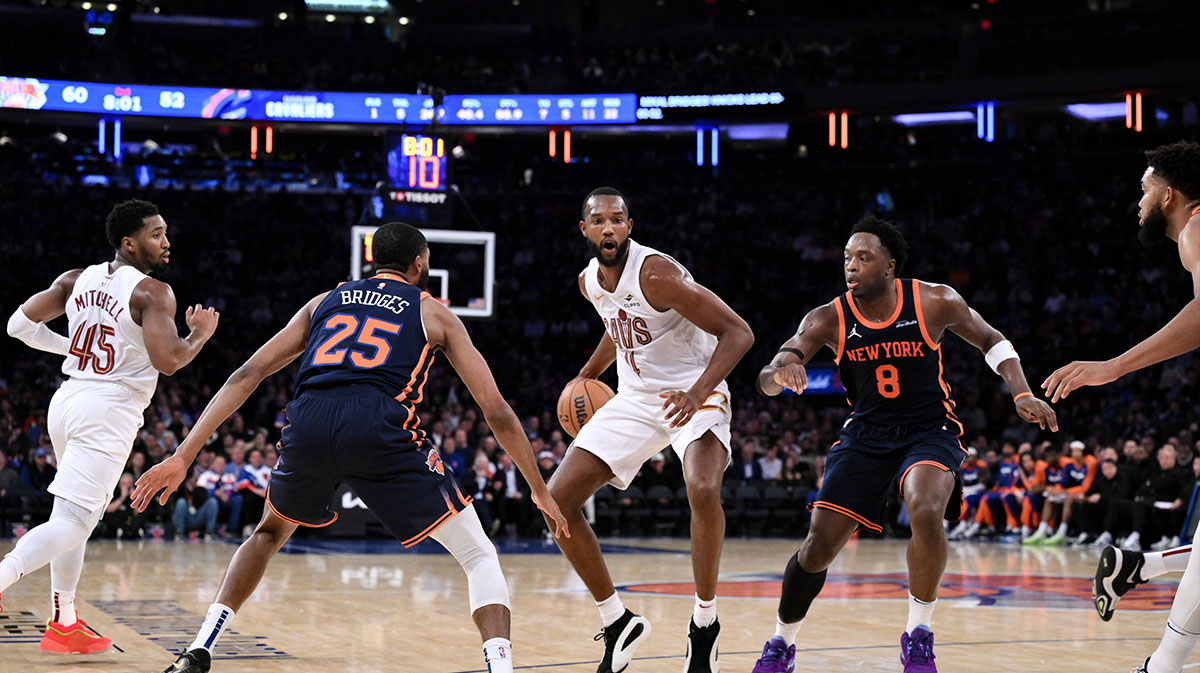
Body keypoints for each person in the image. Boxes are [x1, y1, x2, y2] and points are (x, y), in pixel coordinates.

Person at [130, 221, 567, 673]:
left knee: (267, 534)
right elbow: (495, 410)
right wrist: (538, 487)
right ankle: (501, 668)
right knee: (478, 554)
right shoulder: (433, 313)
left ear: (371, 261)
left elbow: (248, 373)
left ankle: (200, 648)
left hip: (310, 419)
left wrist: (184, 454)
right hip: (378, 424)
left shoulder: (322, 302)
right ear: (419, 265)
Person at [751, 216, 1056, 673]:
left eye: (864, 257)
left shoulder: (934, 300)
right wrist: (779, 373)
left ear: (890, 266)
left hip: (928, 428)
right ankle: (782, 643)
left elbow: (993, 341)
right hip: (865, 434)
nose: (851, 266)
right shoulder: (827, 317)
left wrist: (1021, 391)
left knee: (925, 508)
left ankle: (918, 633)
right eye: (847, 258)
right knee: (819, 545)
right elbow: (769, 373)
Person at [547, 187, 753, 673]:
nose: (609, 228)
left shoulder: (656, 275)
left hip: (695, 388)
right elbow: (617, 322)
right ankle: (617, 621)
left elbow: (739, 333)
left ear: (629, 226)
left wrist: (698, 392)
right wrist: (587, 374)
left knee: (702, 488)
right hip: (637, 398)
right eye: (599, 221)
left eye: (618, 220)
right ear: (585, 230)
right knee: (556, 502)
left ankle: (704, 623)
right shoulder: (589, 282)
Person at [1, 199, 218, 654]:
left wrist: (70, 350)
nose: (166, 241)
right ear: (129, 242)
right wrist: (198, 334)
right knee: (77, 522)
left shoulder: (75, 279)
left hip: (68, 401)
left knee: (72, 517)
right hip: (107, 409)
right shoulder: (153, 293)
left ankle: (64, 621)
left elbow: (17, 325)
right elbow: (171, 360)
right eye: (156, 233)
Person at [1045, 140, 1200, 673]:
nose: (1138, 200)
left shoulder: (1199, 227)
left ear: (1169, 195)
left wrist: (1112, 367)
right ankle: (1161, 652)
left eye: (1144, 188)